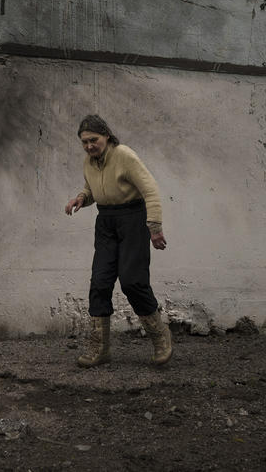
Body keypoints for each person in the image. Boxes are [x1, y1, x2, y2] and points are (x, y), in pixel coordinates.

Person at [64, 115, 173, 367]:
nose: (89, 146)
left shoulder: (124, 155)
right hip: (106, 222)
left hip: (133, 218)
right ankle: (100, 348)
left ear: (107, 137)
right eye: (84, 142)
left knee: (132, 280)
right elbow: (93, 188)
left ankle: (160, 336)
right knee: (99, 282)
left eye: (94, 140)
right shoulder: (90, 162)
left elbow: (150, 189)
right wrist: (81, 197)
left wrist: (154, 227)